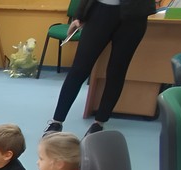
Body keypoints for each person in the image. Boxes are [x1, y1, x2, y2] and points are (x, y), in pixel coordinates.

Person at [44, 0, 156, 138]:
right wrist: (80, 15)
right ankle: (56, 122)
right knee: (79, 69)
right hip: (100, 11)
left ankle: (99, 123)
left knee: (116, 71)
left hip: (134, 16)